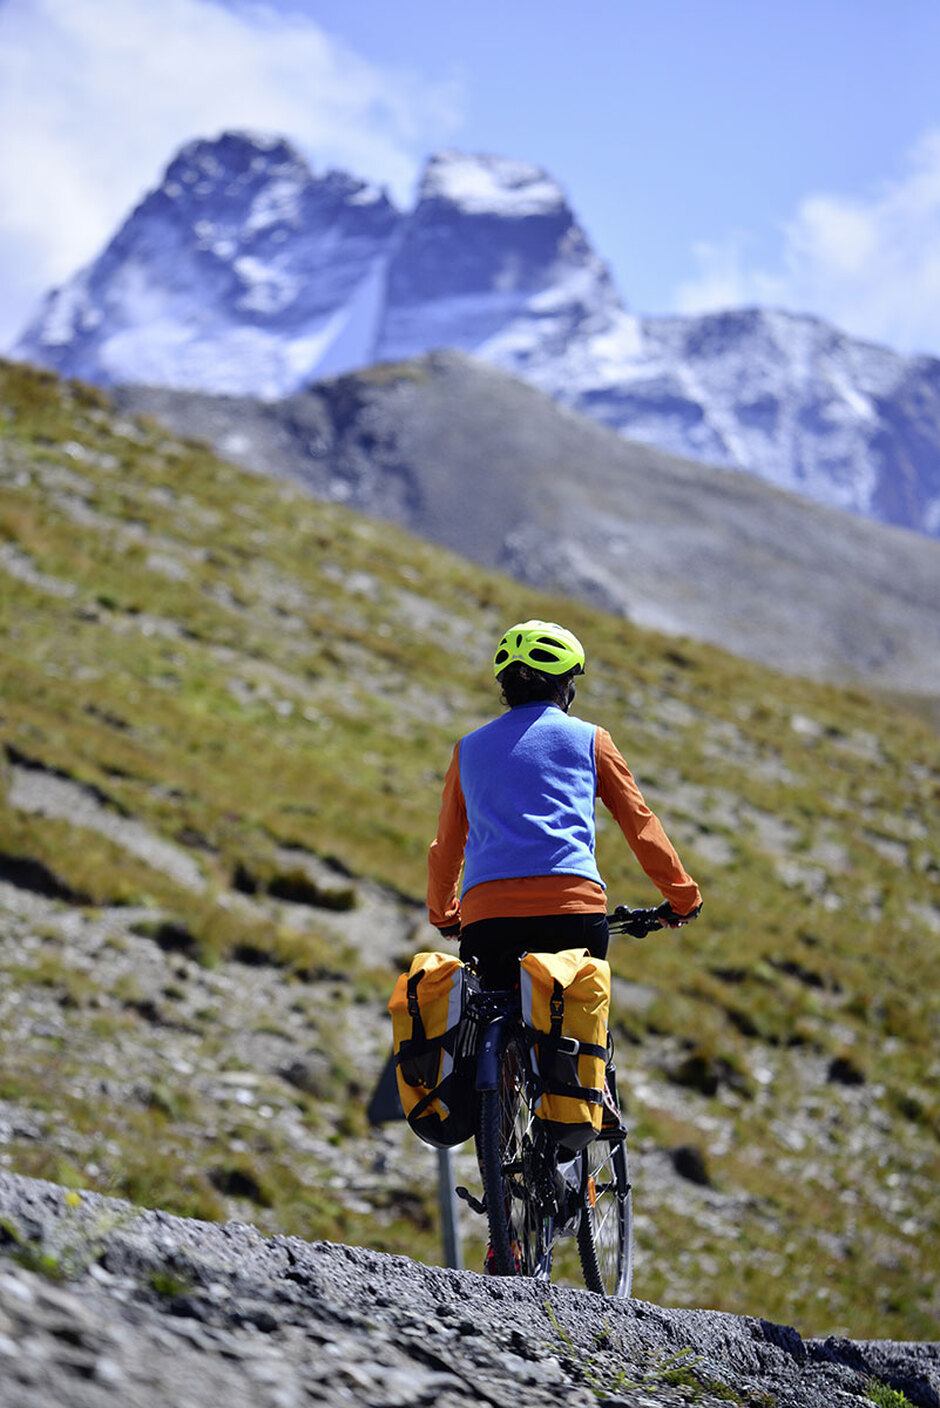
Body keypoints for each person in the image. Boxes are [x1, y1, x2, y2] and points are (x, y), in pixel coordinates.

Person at [427, 619, 701, 987]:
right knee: (571, 1028)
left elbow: (448, 844)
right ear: (564, 687)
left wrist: (444, 913)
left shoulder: (468, 749)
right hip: (572, 912)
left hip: (488, 917)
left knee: (481, 1018)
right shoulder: (591, 739)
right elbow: (640, 825)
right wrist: (682, 898)